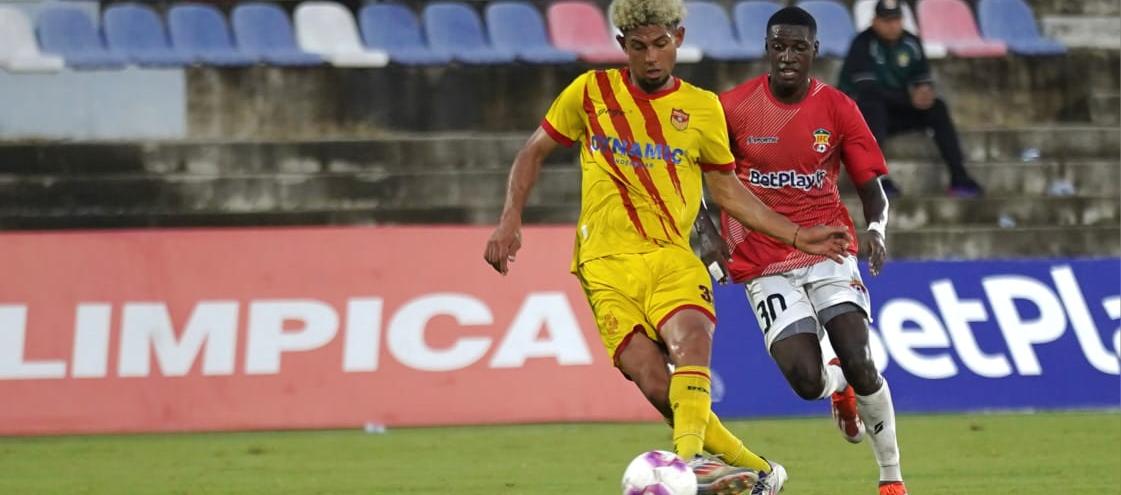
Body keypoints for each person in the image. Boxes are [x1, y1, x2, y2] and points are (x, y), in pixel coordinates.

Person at [483, 1, 851, 493]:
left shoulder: (701, 108)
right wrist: (510, 219)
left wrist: (796, 234)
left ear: (677, 37)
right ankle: (760, 472)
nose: (651, 57)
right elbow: (533, 151)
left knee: (692, 341)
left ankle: (681, 469)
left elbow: (726, 191)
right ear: (622, 47)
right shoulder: (591, 93)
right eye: (639, 47)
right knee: (660, 388)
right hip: (604, 266)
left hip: (673, 258)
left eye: (660, 44)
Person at [718, 6, 909, 495]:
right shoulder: (733, 108)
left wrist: (878, 230)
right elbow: (706, 181)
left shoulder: (839, 108)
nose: (787, 56)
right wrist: (709, 239)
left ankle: (891, 478)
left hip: (828, 248)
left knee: (859, 357)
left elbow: (874, 190)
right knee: (806, 381)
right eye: (778, 46)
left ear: (814, 51)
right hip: (763, 259)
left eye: (798, 47)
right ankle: (835, 388)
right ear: (767, 48)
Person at [838, 0, 983, 197]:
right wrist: (909, 97)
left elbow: (922, 79)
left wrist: (924, 93)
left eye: (896, 19)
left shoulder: (911, 42)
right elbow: (868, 90)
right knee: (872, 105)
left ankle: (959, 177)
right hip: (861, 118)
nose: (892, 25)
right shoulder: (863, 43)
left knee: (937, 107)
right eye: (886, 20)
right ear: (874, 21)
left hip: (896, 113)